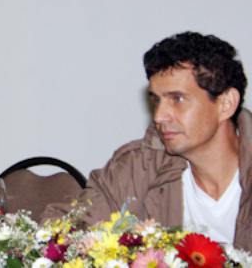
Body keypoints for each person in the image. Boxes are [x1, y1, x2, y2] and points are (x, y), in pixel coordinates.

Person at [43, 32, 251, 249]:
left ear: (226, 104)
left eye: (177, 99)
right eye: (157, 100)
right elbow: (61, 231)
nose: (159, 116)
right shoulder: (138, 167)